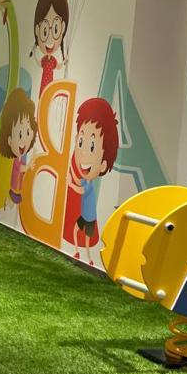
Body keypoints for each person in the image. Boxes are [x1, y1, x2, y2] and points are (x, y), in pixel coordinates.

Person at [66, 97, 119, 266]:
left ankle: (88, 257)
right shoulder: (85, 180)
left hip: (89, 217)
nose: (83, 154)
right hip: (86, 216)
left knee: (84, 236)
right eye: (80, 141)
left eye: (92, 147)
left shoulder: (89, 185)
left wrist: (71, 183)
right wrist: (71, 176)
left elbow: (80, 189)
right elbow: (78, 180)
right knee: (79, 232)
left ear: (103, 164)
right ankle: (82, 254)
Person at [0, 88, 37, 221]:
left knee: (15, 206)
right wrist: (30, 165)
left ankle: (9, 209)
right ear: (9, 140)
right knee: (12, 203)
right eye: (20, 134)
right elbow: (21, 169)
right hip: (15, 189)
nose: (24, 139)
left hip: (18, 189)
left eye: (28, 132)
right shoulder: (17, 160)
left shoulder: (21, 157)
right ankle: (7, 204)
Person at [31, 0, 69, 95]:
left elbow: (58, 66)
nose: (50, 39)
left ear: (62, 27)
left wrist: (65, 60)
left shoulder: (53, 61)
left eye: (56, 29)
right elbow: (39, 63)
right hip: (44, 83)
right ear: (37, 30)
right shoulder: (44, 60)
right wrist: (34, 54)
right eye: (45, 30)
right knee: (43, 94)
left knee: (49, 94)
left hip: (50, 85)